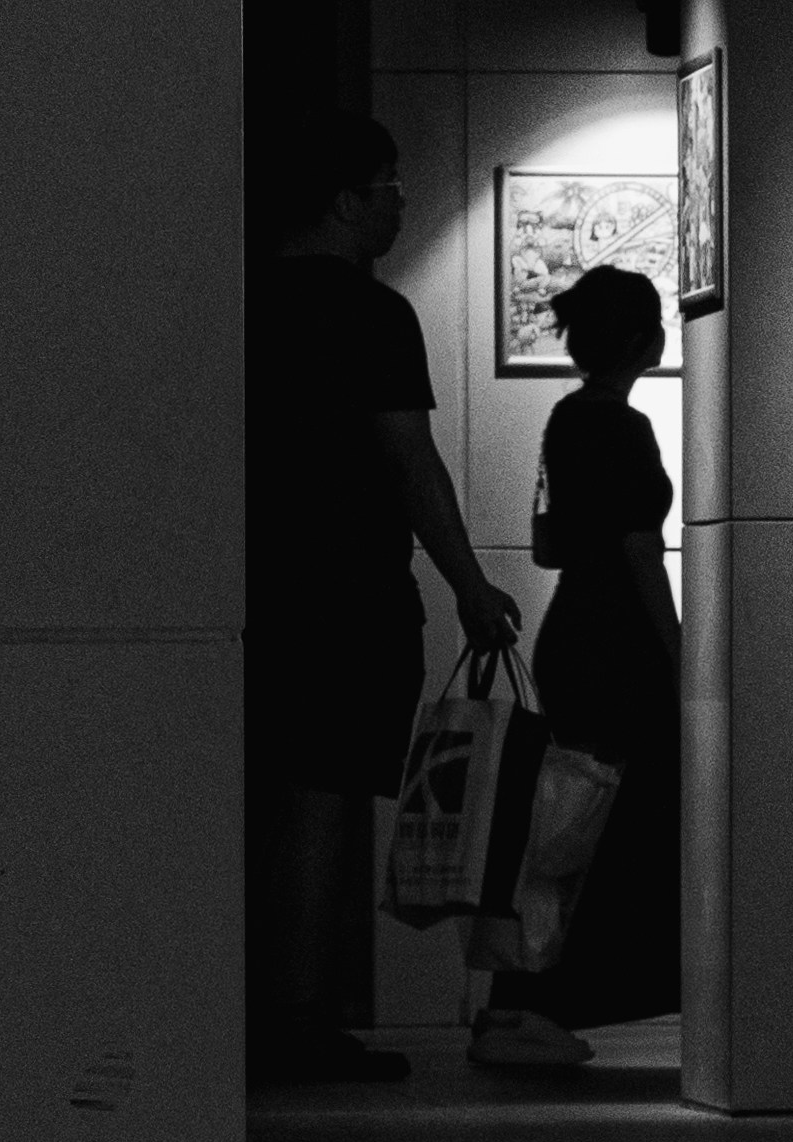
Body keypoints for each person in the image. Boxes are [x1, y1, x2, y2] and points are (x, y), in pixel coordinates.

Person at [257, 117, 524, 1084]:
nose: (399, 202)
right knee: (320, 801)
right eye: (388, 185)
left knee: (260, 798)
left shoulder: (230, 301)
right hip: (343, 589)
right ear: (344, 201)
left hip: (250, 588)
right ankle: (297, 1021)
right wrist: (468, 585)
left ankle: (249, 1009)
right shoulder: (372, 315)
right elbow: (408, 460)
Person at [469, 265, 682, 1069]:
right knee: (604, 830)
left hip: (571, 631)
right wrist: (678, 648)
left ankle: (511, 1005)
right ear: (639, 339)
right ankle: (541, 1002)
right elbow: (638, 549)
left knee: (559, 822)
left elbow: (551, 542)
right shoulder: (626, 429)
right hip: (618, 640)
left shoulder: (565, 418)